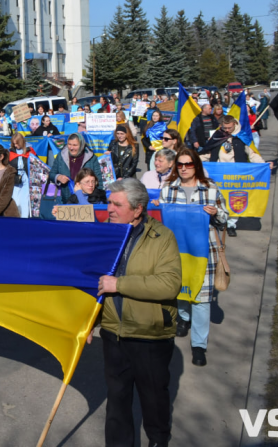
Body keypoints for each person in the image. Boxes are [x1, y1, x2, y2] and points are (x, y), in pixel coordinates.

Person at [92, 177, 182, 447]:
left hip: (149, 334)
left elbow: (169, 284)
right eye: (109, 202)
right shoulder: (103, 234)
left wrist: (119, 284)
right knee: (117, 402)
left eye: (117, 204)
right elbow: (92, 283)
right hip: (113, 334)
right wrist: (87, 325)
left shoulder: (162, 238)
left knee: (153, 398)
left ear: (138, 208)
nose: (110, 209)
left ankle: (158, 440)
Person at [158, 148, 227, 367]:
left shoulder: (210, 188)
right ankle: (184, 318)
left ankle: (199, 346)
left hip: (203, 252)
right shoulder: (168, 188)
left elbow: (225, 220)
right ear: (175, 166)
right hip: (175, 251)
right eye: (180, 164)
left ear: (196, 165)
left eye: (188, 164)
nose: (184, 168)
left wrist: (217, 213)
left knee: (202, 297)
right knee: (180, 287)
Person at [200, 115, 274, 236]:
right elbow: (208, 153)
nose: (227, 130)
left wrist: (263, 164)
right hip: (218, 175)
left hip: (236, 176)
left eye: (229, 128)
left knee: (234, 200)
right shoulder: (218, 135)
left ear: (235, 124)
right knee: (218, 199)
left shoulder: (242, 136)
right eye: (225, 128)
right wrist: (194, 159)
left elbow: (253, 154)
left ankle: (231, 224)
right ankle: (220, 221)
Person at [49, 134, 103, 203]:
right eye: (69, 144)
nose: (71, 148)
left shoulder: (91, 157)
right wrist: (58, 177)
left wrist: (97, 198)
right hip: (66, 198)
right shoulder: (61, 156)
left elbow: (99, 180)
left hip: (86, 199)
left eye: (75, 145)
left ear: (81, 145)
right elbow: (51, 174)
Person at [9, 133, 33, 218]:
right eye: (14, 143)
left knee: (24, 201)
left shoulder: (29, 151)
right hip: (15, 178)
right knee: (15, 200)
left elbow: (36, 163)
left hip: (26, 178)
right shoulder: (11, 152)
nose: (15, 146)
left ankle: (24, 219)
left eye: (17, 143)